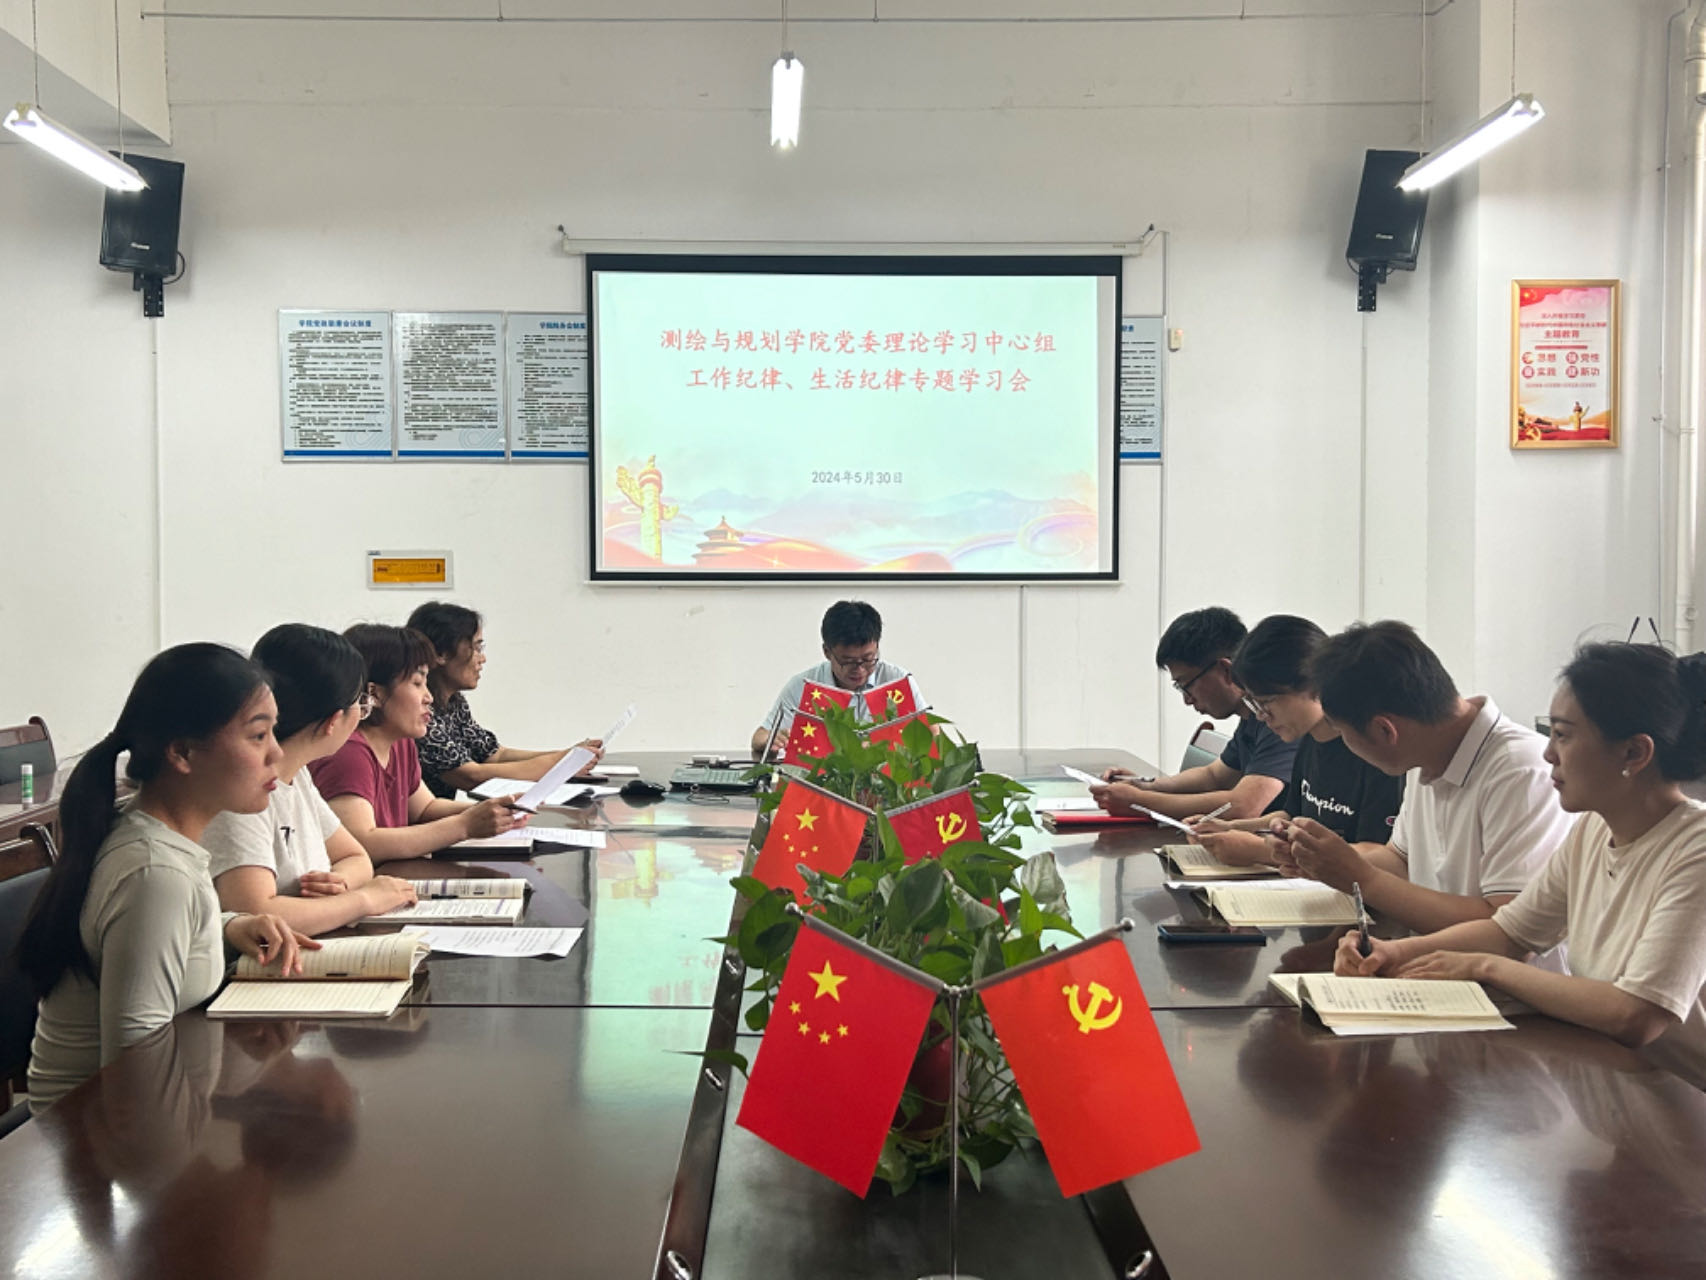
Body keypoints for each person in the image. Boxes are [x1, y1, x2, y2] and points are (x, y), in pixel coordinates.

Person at [1337, 643, 1706, 1088]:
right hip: (1616, 1082)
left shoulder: (1695, 850)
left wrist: (1484, 967)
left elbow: (1635, 1014)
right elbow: (1510, 932)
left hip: (1682, 1100)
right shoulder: (1593, 830)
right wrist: (1394, 953)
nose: (1548, 753)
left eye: (1564, 735)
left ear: (1633, 753)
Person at [22, 644, 314, 1111]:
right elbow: (136, 1077)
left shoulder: (156, 841)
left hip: (130, 1121)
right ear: (182, 752)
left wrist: (229, 927)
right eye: (258, 735)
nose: (276, 753)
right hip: (88, 1140)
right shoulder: (154, 872)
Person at [1288, 620, 1572, 940]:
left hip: (1493, 973)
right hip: (1431, 962)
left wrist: (1362, 878)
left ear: (1385, 730)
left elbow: (1508, 926)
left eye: (1342, 733)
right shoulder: (1422, 754)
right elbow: (1400, 861)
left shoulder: (1522, 772)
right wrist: (1322, 860)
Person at [202, 624, 418, 933]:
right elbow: (256, 912)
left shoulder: (297, 774)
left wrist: (338, 885)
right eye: (360, 703)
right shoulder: (242, 790)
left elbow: (356, 856)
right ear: (333, 721)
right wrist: (363, 900)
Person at [1187, 615, 1405, 867]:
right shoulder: (1308, 739)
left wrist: (1260, 850)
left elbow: (1380, 855)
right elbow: (1291, 814)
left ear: (1314, 685)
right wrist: (1231, 828)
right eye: (1253, 703)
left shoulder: (1373, 752)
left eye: (1266, 702)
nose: (1261, 716)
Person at [309, 624, 528, 863]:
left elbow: (425, 808)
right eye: (417, 683)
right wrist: (464, 825)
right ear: (375, 693)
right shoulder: (349, 752)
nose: (429, 697)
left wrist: (494, 812)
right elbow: (362, 842)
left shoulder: (400, 743)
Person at [1090, 606, 1298, 821]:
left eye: (1186, 685)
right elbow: (1213, 777)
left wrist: (1139, 802)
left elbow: (1244, 806)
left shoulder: (1279, 722)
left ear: (1226, 670)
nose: (1187, 700)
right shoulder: (1251, 719)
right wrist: (1144, 786)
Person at [406, 601, 603, 800]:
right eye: (476, 648)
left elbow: (494, 755)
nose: (482, 659)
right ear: (441, 654)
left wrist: (568, 755)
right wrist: (561, 762)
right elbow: (470, 776)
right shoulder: (419, 712)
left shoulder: (454, 703)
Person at [751, 600, 922, 758]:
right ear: (827, 652)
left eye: (868, 659)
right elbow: (760, 736)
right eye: (848, 661)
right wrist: (770, 740)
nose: (860, 669)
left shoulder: (898, 681)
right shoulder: (804, 685)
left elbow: (930, 733)